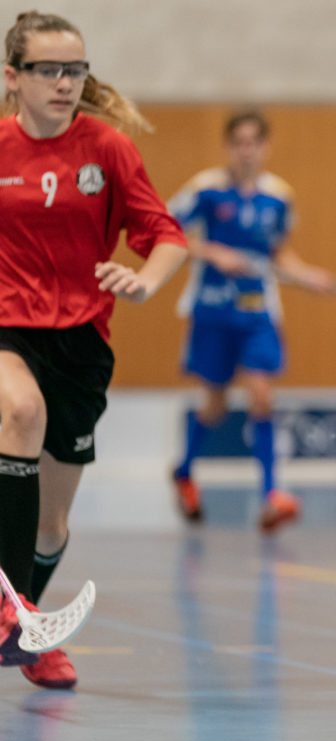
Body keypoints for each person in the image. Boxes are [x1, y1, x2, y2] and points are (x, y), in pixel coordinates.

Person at [0, 11, 188, 687]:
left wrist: (143, 281)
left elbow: (165, 234)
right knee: (20, 412)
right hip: (8, 328)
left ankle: (28, 622)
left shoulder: (106, 149)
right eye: (48, 70)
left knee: (51, 524)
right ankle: (10, 612)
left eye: (74, 69)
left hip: (81, 341)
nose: (63, 82)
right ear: (12, 76)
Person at [168, 109, 336, 532]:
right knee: (216, 405)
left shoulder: (279, 197)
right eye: (238, 142)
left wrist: (307, 274)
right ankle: (185, 471)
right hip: (212, 309)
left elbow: (277, 252)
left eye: (254, 143)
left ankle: (270, 496)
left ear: (265, 147)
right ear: (229, 147)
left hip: (257, 311)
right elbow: (167, 233)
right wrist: (213, 252)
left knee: (262, 396)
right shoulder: (205, 190)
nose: (246, 150)